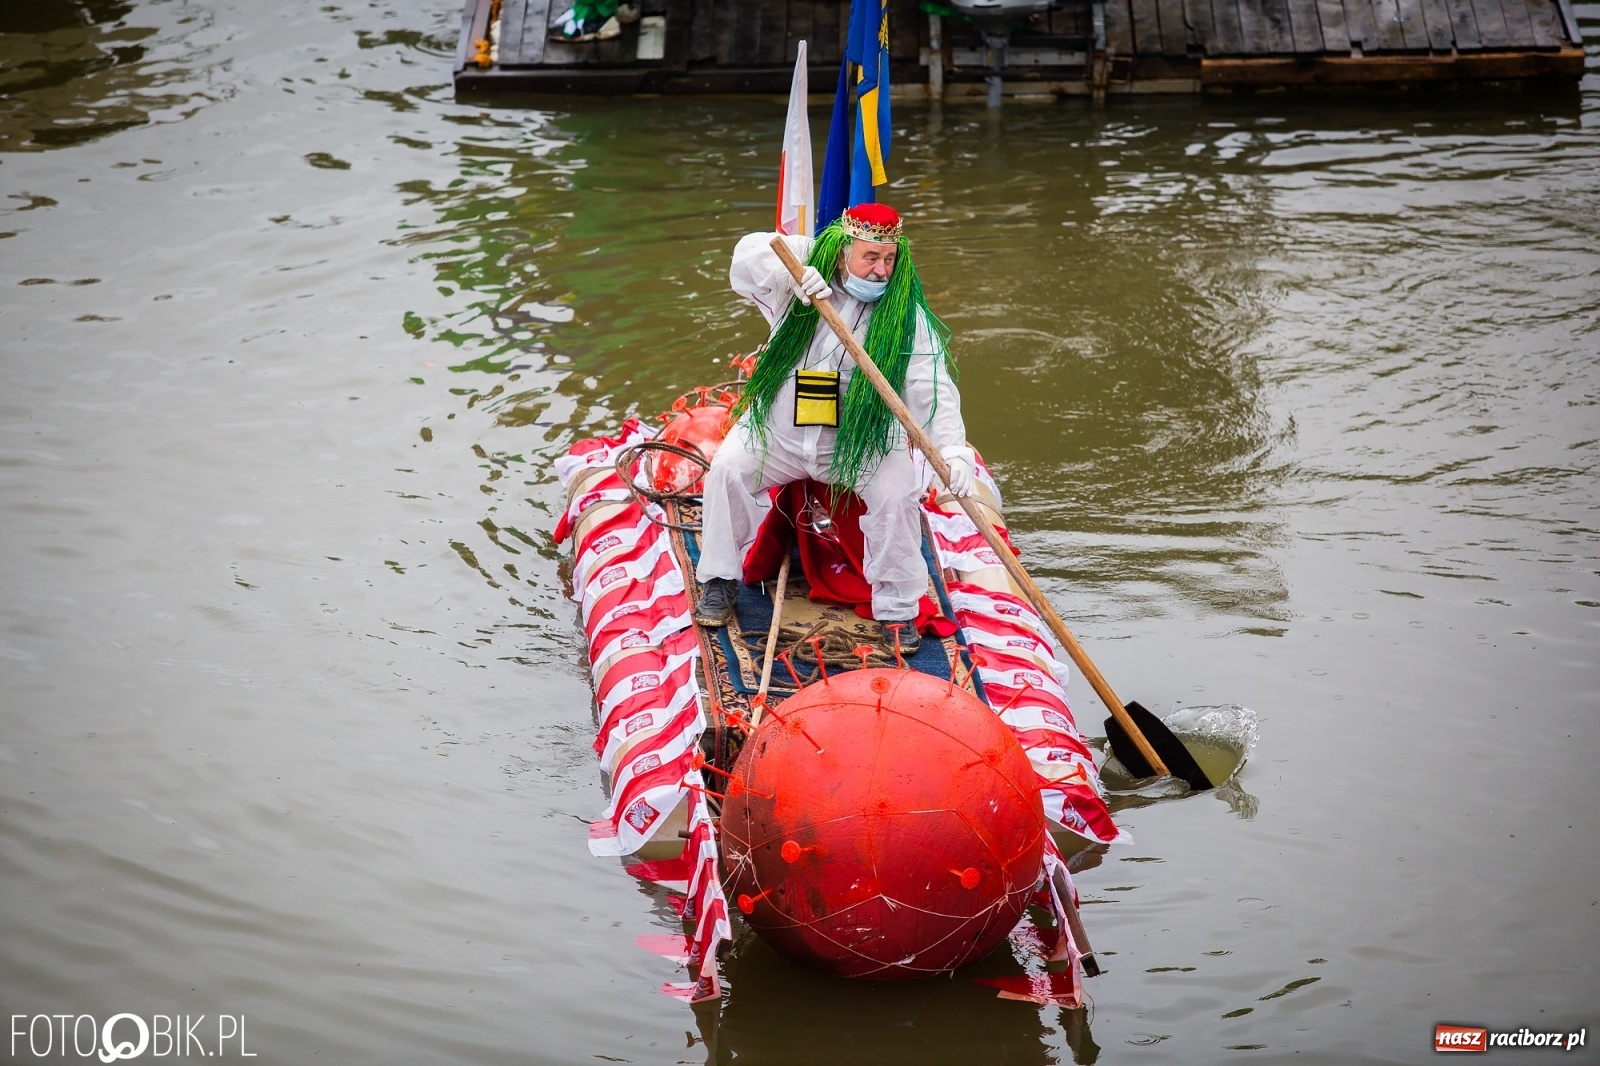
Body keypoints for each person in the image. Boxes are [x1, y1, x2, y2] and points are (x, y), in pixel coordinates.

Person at [692, 203, 974, 656]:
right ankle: (720, 579)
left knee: (897, 493)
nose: (881, 270)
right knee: (727, 469)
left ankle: (897, 609)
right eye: (870, 258)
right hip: (780, 430)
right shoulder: (800, 272)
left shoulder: (908, 318)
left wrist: (954, 451)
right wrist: (801, 269)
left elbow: (931, 387)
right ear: (843, 251)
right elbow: (744, 258)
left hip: (859, 442)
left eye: (889, 258)